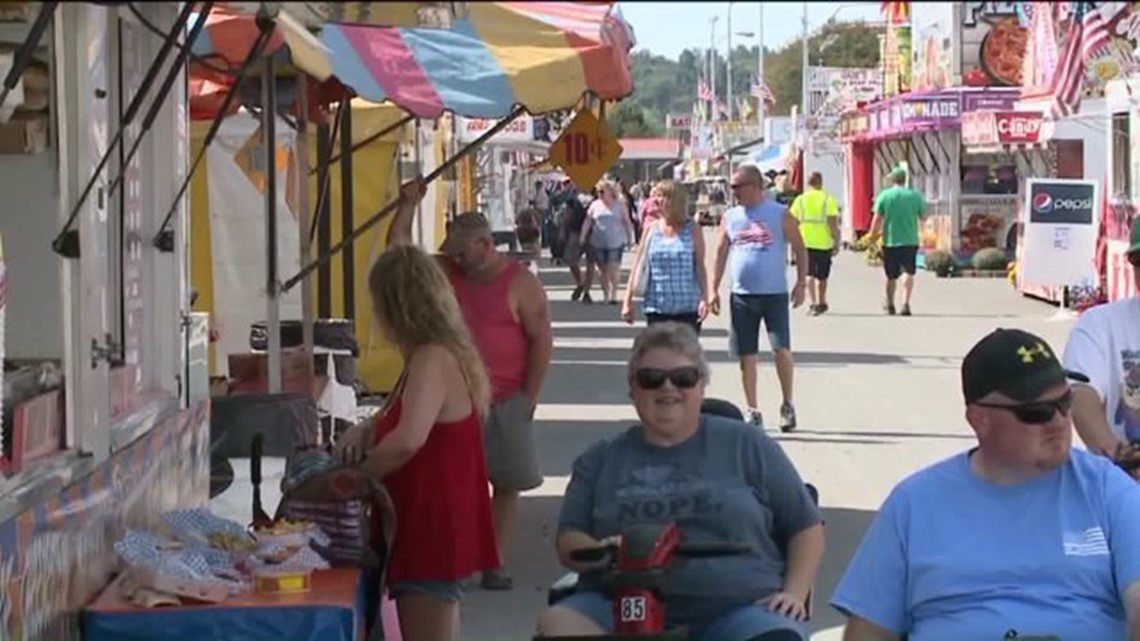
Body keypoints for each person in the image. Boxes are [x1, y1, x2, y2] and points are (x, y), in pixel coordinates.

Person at [831, 327, 1140, 641]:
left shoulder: (1106, 489)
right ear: (979, 419)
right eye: (1037, 412)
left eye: (1065, 403)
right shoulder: (915, 503)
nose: (1060, 422)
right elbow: (868, 632)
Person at [535, 323, 825, 640]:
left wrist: (795, 593)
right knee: (558, 625)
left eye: (684, 378)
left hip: (740, 607)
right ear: (633, 388)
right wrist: (604, 550)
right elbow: (568, 539)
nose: (667, 388)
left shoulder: (749, 445)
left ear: (702, 386)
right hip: (621, 602)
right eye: (651, 379)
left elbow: (806, 527)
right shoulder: (600, 460)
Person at [389, 177, 553, 591]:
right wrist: (407, 205)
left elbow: (541, 339)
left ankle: (495, 559)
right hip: (452, 401)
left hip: (504, 399)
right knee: (455, 486)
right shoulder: (445, 271)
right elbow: (399, 252)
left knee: (508, 481)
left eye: (464, 251)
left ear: (485, 243)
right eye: (453, 252)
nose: (458, 259)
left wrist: (529, 397)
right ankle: (460, 558)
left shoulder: (520, 282)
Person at [353, 243, 500, 641]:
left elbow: (407, 439)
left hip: (431, 522)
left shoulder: (432, 357)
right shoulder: (430, 353)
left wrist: (355, 479)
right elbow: (401, 419)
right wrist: (366, 429)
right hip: (429, 518)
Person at [710, 164, 808, 432]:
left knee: (781, 350)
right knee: (747, 355)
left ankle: (787, 403)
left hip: (774, 294)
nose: (733, 192)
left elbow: (800, 248)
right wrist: (712, 289)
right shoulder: (730, 217)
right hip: (742, 296)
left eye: (736, 187)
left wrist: (801, 283)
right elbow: (719, 253)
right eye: (731, 187)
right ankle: (752, 410)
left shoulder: (779, 214)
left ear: (755, 187)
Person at [1063, 217, 1140, 469]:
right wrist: (1113, 454)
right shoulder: (1100, 323)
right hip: (1126, 487)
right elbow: (1080, 391)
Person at [621, 180, 708, 333]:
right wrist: (627, 301)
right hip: (657, 308)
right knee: (660, 355)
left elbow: (700, 266)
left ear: (674, 200)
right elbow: (638, 265)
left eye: (661, 196)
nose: (655, 200)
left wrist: (705, 298)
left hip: (688, 309)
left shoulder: (693, 229)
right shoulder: (651, 229)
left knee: (684, 356)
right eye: (655, 195)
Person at [867, 167, 926, 316]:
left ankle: (890, 303)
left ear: (892, 179)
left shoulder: (885, 196)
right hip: (910, 240)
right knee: (908, 272)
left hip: (891, 241)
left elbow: (877, 219)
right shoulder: (915, 196)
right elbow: (924, 217)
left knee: (891, 275)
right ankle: (905, 303)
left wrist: (872, 237)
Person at [789, 172, 841, 316]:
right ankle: (822, 301)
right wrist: (836, 241)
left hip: (805, 242)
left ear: (807, 183)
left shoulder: (800, 200)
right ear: (821, 182)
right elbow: (833, 223)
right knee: (822, 276)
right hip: (824, 243)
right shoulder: (827, 199)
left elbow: (792, 221)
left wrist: (793, 245)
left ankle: (813, 303)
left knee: (809, 273)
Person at [581, 179, 635, 305]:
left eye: (601, 191)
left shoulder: (620, 205)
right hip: (598, 242)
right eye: (597, 191)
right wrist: (583, 235)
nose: (599, 194)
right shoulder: (595, 205)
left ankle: (613, 294)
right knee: (602, 270)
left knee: (613, 268)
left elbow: (627, 222)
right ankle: (605, 295)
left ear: (610, 191)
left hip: (615, 242)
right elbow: (588, 221)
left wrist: (630, 238)